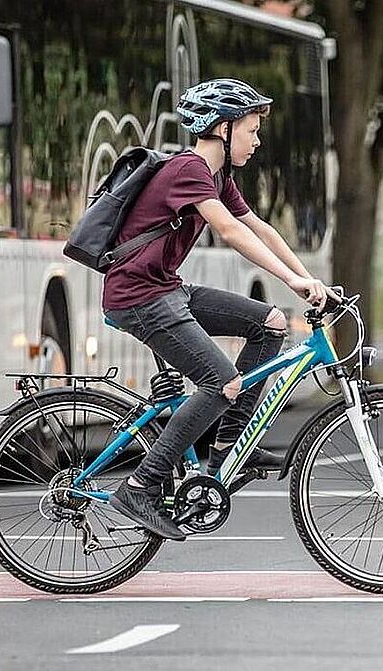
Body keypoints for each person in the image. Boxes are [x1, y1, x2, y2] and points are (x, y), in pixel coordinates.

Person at [103, 78, 339, 540]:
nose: (257, 140)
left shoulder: (218, 176)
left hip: (166, 288)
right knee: (221, 381)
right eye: (251, 130)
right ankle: (140, 487)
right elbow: (230, 233)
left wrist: (309, 280)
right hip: (140, 296)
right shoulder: (188, 170)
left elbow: (260, 228)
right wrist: (293, 282)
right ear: (223, 128)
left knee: (270, 324)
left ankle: (233, 443)